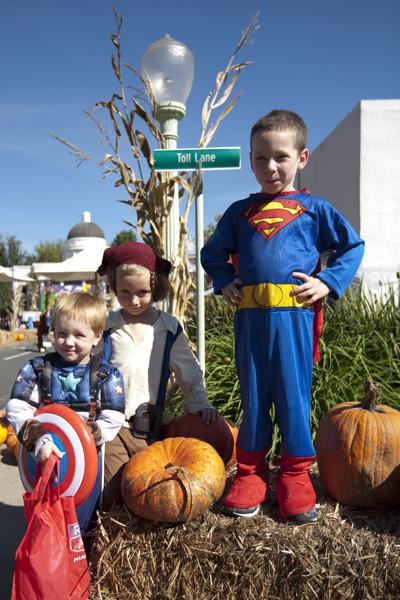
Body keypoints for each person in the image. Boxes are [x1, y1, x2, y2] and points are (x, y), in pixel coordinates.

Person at [201, 109, 365, 523]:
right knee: (254, 399)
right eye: (260, 158)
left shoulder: (315, 209)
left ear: (302, 158)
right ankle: (253, 474)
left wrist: (327, 282)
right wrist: (223, 281)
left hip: (295, 321)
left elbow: (352, 246)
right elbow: (211, 253)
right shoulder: (239, 212)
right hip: (251, 323)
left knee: (294, 397)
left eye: (280, 157)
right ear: (251, 159)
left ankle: (295, 474)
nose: (270, 167)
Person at [96, 241, 217, 507]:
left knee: (146, 495)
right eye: (125, 292)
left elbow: (189, 371)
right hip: (112, 426)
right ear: (115, 288)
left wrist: (199, 403)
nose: (134, 300)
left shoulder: (167, 328)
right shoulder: (107, 327)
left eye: (142, 292)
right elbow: (87, 368)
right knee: (112, 494)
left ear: (155, 287)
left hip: (150, 429)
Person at [6, 292, 126, 535]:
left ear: (97, 336)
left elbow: (113, 414)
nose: (69, 342)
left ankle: (81, 565)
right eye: (62, 334)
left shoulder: (107, 375)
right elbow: (18, 407)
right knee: (45, 523)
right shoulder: (36, 370)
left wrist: (88, 437)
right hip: (42, 456)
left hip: (88, 461)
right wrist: (37, 440)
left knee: (85, 522)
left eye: (79, 335)